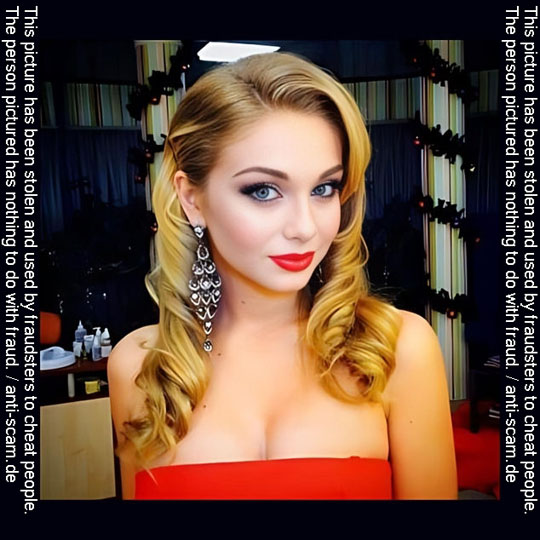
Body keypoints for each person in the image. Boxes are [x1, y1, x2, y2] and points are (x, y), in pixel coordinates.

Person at [108, 51, 457, 500]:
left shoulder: (397, 350)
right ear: (192, 198)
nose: (305, 227)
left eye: (324, 188)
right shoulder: (140, 366)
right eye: (263, 191)